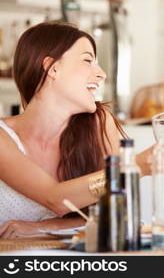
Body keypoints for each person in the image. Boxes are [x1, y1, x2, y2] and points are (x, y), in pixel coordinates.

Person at [0, 21, 131, 238]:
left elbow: (118, 212)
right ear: (53, 68)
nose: (102, 74)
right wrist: (136, 167)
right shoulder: (3, 138)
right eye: (88, 60)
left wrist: (44, 227)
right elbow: (55, 199)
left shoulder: (97, 124)